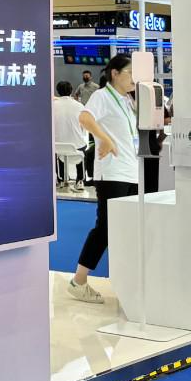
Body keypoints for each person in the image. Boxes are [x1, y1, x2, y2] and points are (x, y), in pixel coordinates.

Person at [67, 54, 138, 303]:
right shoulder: (102, 96)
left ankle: (127, 281)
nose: (134, 78)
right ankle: (79, 281)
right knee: (105, 228)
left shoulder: (127, 100)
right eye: (130, 72)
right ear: (115, 74)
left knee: (127, 228)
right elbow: (85, 118)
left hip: (131, 172)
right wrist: (104, 138)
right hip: (112, 173)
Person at [52, 82, 86, 190]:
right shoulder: (79, 106)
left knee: (58, 152)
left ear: (58, 91)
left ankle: (60, 179)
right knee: (82, 144)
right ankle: (80, 180)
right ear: (71, 91)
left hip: (57, 145)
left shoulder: (52, 105)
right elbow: (83, 125)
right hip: (76, 145)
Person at [74, 71, 100, 183]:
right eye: (84, 75)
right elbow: (76, 94)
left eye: (87, 75)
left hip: (94, 112)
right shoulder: (81, 87)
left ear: (91, 76)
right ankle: (91, 142)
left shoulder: (96, 87)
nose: (85, 77)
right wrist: (78, 103)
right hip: (85, 110)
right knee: (88, 131)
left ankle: (94, 143)